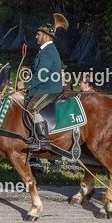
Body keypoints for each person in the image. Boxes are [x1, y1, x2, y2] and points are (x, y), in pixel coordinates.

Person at [25, 14, 68, 150]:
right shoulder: (47, 50)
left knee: (31, 108)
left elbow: (41, 75)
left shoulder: (47, 52)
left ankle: (43, 140)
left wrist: (25, 84)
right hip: (47, 86)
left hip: (49, 89)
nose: (36, 37)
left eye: (38, 34)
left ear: (45, 36)